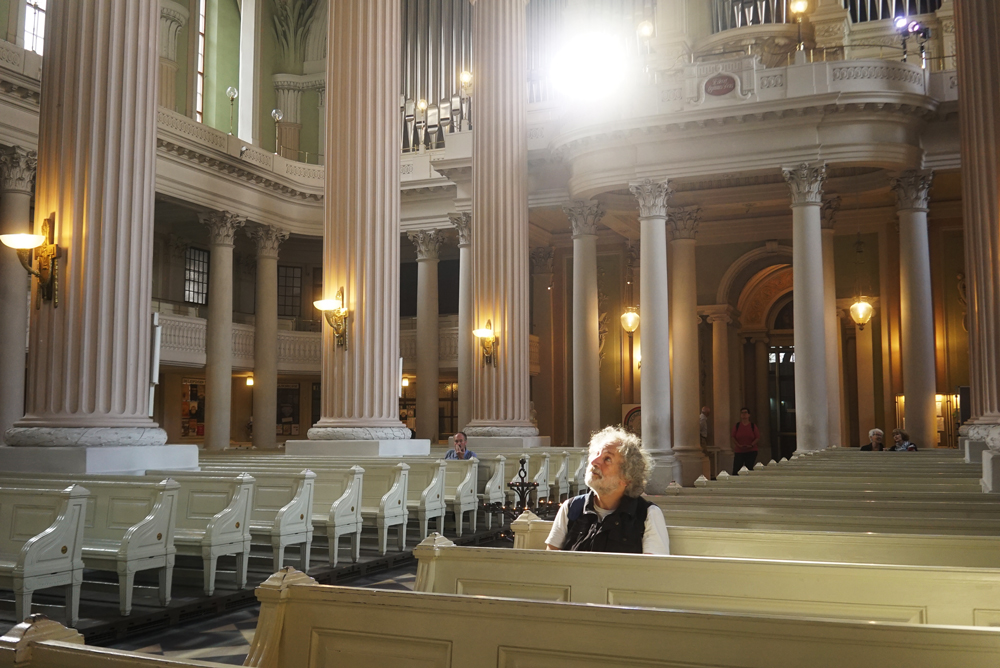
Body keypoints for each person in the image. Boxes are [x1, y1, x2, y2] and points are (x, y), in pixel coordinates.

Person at [545, 426, 670, 555]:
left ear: (627, 477)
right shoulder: (571, 508)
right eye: (596, 454)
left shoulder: (648, 514)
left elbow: (653, 570)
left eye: (607, 459)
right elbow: (552, 563)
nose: (594, 461)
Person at [731, 407, 760, 474]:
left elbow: (757, 437)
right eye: (742, 413)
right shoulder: (737, 425)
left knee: (749, 468)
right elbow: (733, 436)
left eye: (745, 412)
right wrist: (738, 445)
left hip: (751, 451)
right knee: (736, 469)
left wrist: (751, 445)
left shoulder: (753, 426)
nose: (744, 414)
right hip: (739, 450)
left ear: (749, 415)